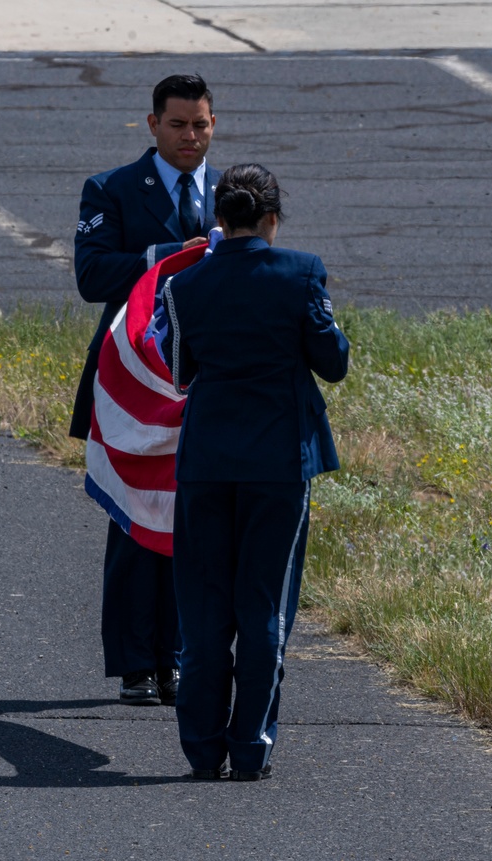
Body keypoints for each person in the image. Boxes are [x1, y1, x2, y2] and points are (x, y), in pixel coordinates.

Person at [161, 164, 349, 778]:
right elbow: (333, 360)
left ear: (220, 218)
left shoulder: (186, 285)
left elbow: (178, 369)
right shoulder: (301, 273)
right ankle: (250, 749)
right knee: (263, 606)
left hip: (208, 459)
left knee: (205, 608)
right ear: (272, 219)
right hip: (277, 459)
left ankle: (201, 747)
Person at [71, 74, 223, 705]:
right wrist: (166, 254)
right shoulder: (110, 189)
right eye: (178, 124)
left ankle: (180, 659)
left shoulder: (236, 191)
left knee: (194, 526)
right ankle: (137, 664)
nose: (190, 136)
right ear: (153, 124)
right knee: (134, 520)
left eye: (201, 125)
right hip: (133, 380)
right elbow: (91, 274)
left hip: (205, 382)